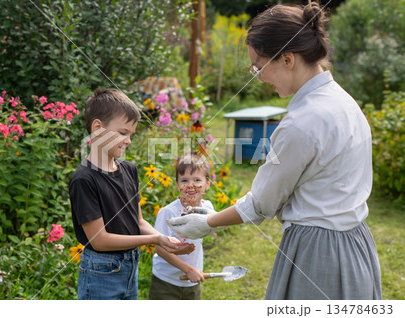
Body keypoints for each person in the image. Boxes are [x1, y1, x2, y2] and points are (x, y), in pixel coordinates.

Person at [167, 2, 382, 300]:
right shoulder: (345, 102)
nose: (259, 77)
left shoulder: (301, 123)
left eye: (259, 67)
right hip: (355, 244)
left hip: (318, 252)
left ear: (288, 59)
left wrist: (206, 222)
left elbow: (262, 204)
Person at [69, 88, 194, 300]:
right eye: (123, 133)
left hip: (130, 267)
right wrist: (153, 239)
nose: (128, 141)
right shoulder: (84, 179)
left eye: (131, 135)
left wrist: (163, 238)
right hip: (101, 272)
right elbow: (99, 241)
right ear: (98, 128)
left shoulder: (129, 169)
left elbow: (137, 221)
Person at [149, 153, 215, 300]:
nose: (190, 186)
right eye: (184, 180)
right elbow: (160, 249)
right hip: (166, 281)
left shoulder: (208, 208)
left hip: (192, 280)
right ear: (178, 184)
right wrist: (189, 269)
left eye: (197, 180)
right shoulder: (168, 212)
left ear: (207, 183)